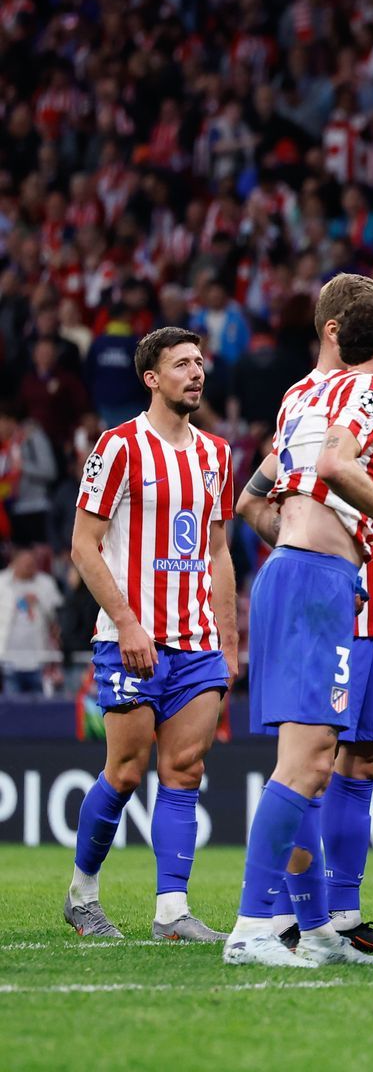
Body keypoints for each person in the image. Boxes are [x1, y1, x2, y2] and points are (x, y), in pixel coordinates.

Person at [223, 288, 373, 969]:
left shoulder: (302, 397)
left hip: (291, 574)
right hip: (314, 584)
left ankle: (316, 927)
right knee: (308, 763)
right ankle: (253, 928)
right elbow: (337, 467)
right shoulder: (367, 392)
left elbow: (264, 495)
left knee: (308, 761)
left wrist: (306, 535)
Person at [64, 327, 234, 943]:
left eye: (200, 362)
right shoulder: (118, 447)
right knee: (128, 770)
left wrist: (229, 641)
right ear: (151, 379)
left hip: (197, 642)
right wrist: (129, 621)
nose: (197, 373)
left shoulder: (216, 453)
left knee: (184, 771)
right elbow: (83, 545)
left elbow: (217, 553)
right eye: (182, 364)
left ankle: (172, 913)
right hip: (128, 638)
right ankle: (82, 895)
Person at [0, 547, 63, 694]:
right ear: (14, 563)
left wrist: (39, 602)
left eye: (32, 563)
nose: (30, 567)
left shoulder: (46, 583)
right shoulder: (1, 582)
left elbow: (57, 616)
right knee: (12, 709)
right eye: (25, 564)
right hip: (9, 659)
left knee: (40, 709)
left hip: (39, 659)